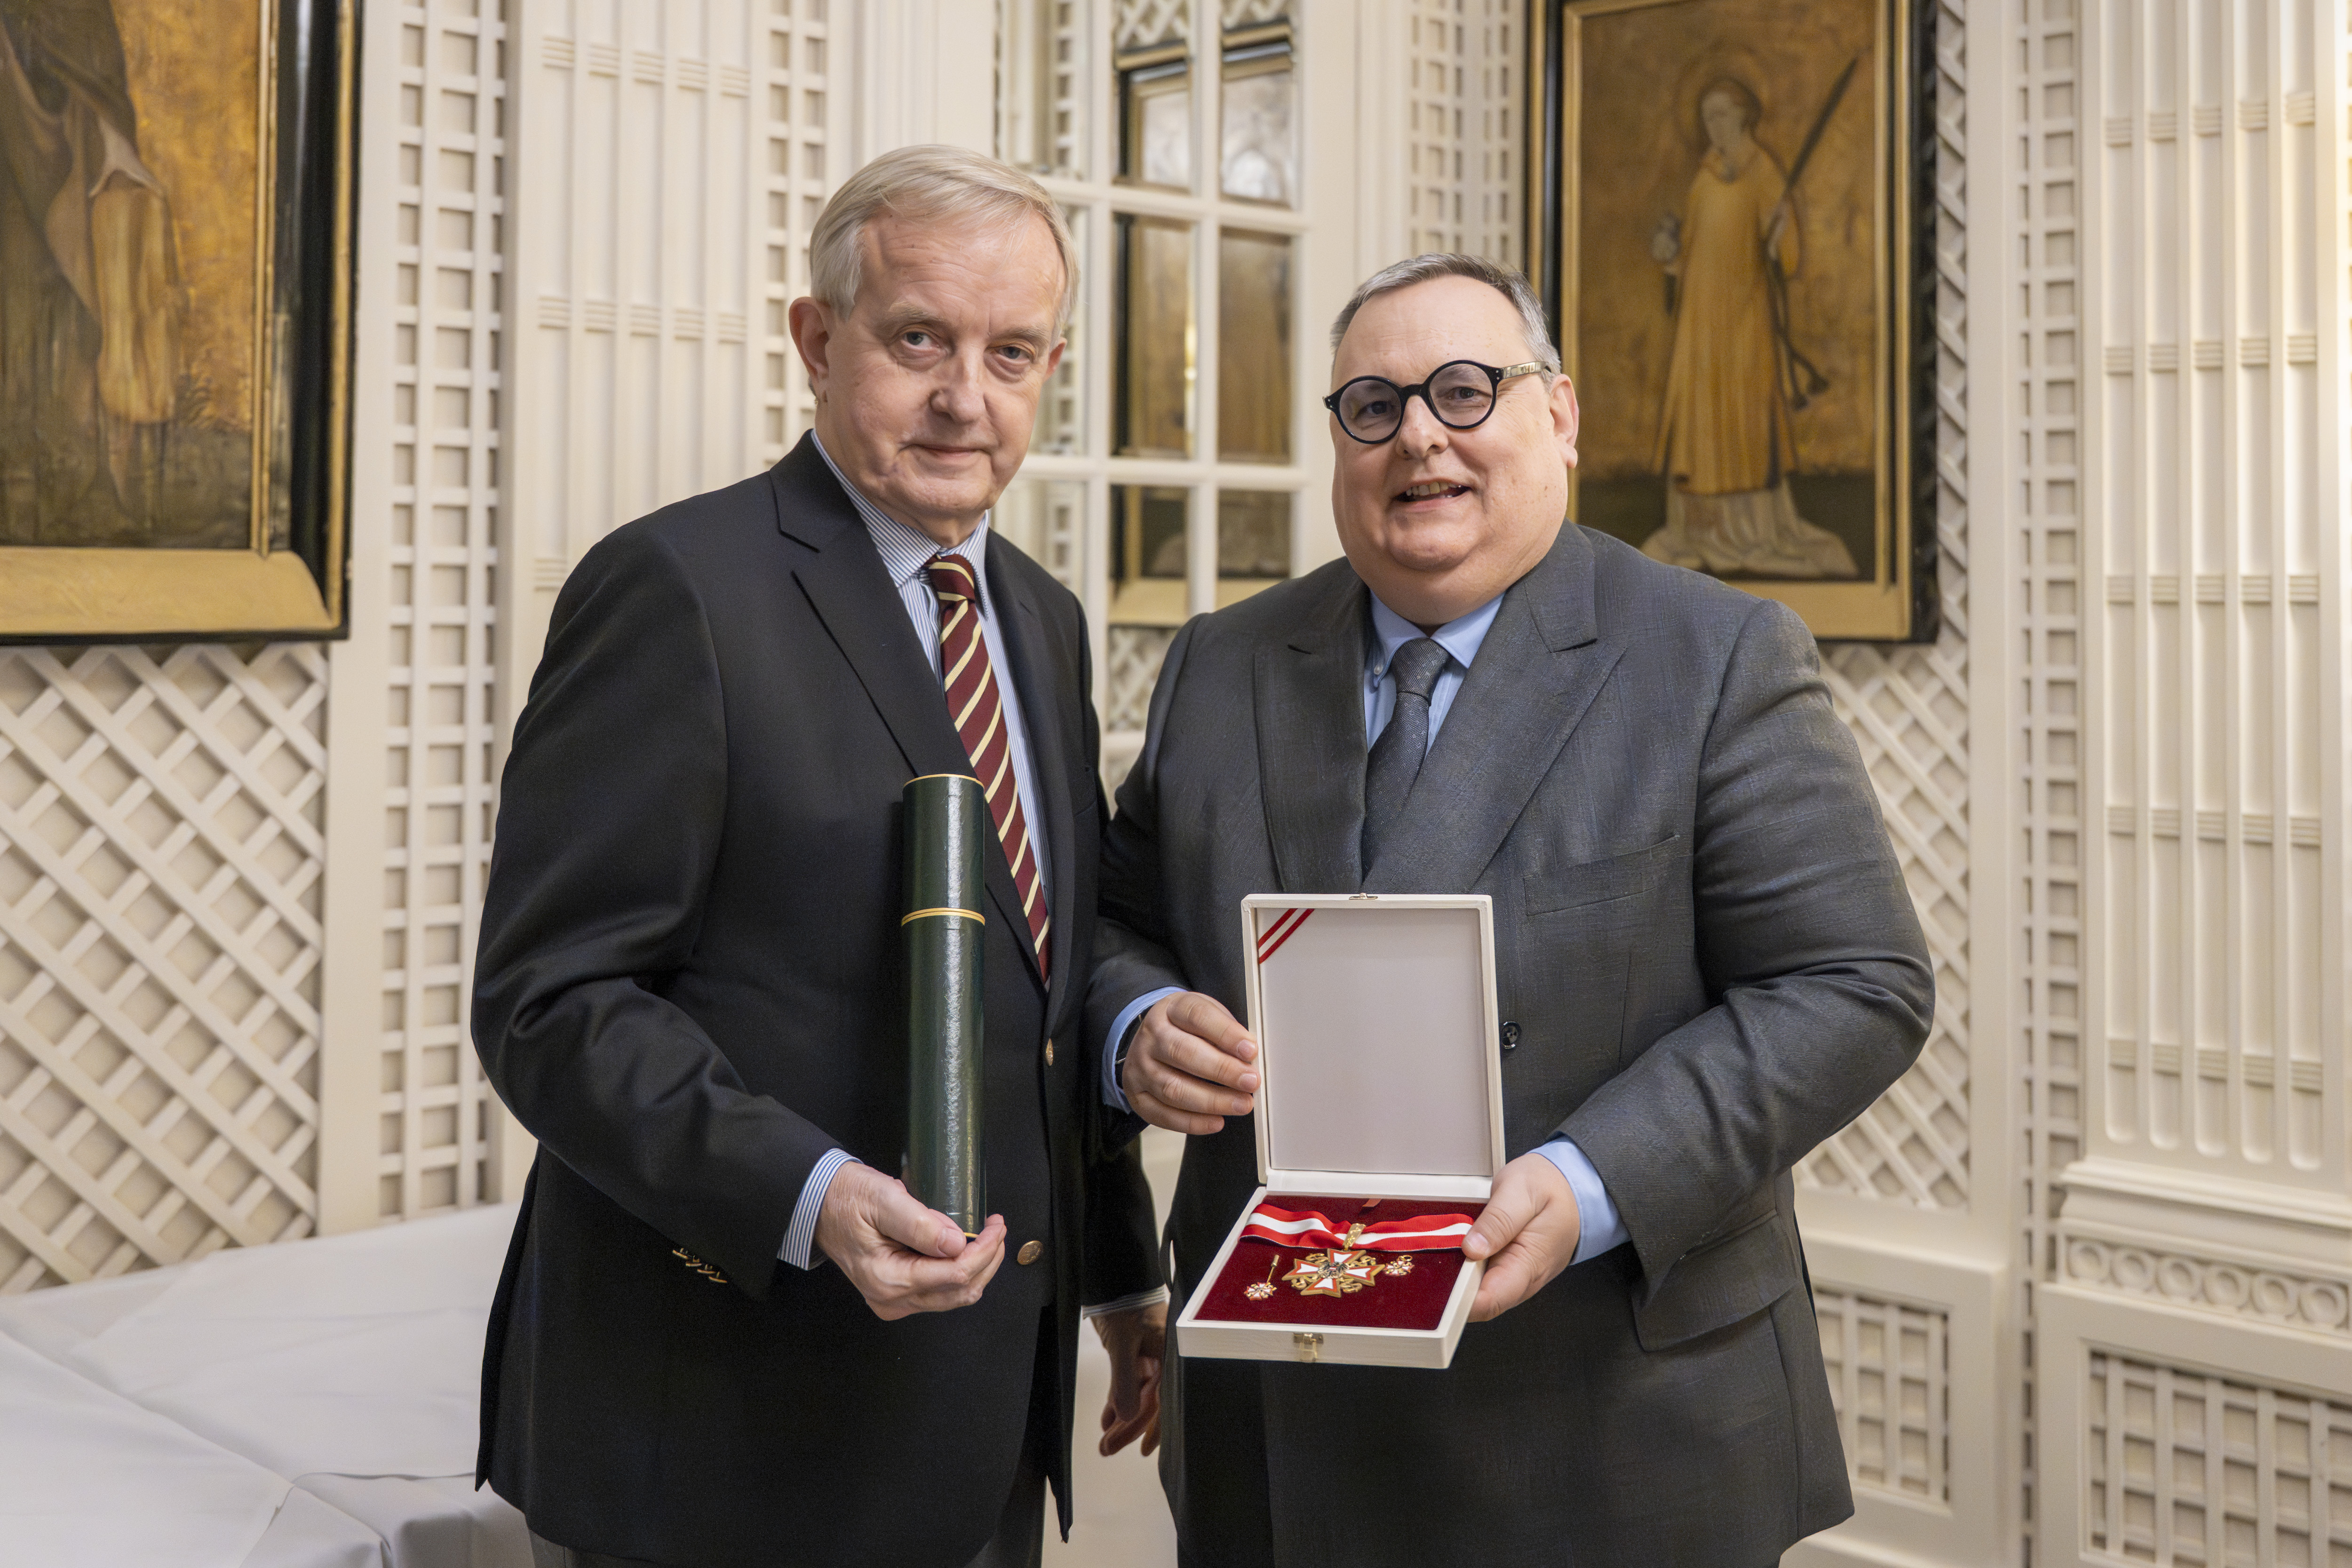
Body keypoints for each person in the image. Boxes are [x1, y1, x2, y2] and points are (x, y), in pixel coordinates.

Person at [1089, 252, 1932, 1566]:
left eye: (1465, 391)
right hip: (1275, 1420)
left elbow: (1854, 985)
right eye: (1374, 404)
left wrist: (1592, 1182)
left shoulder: (1715, 655)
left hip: (1608, 1425)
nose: (1419, 434)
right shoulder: (1222, 661)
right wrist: (1133, 1021)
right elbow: (1111, 919)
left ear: (1562, 414)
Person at [471, 145, 1167, 1568]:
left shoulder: (1038, 618)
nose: (965, 396)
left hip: (978, 1420)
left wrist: (1114, 1269)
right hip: (725, 1436)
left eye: (1011, 352)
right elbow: (551, 1001)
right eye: (918, 339)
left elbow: (1043, 961)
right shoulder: (676, 590)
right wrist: (808, 1194)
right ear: (816, 336)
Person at [1644, 78, 1856, 579]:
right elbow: (1691, 250)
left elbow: (1786, 255)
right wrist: (1669, 255)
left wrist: (1780, 237)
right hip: (1699, 322)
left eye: (1721, 115)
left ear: (1744, 116)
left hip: (1744, 318)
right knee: (1700, 417)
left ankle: (1751, 531)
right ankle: (1699, 530)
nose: (1713, 126)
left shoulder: (1763, 173)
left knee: (1742, 417)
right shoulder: (1703, 177)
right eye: (1707, 117)